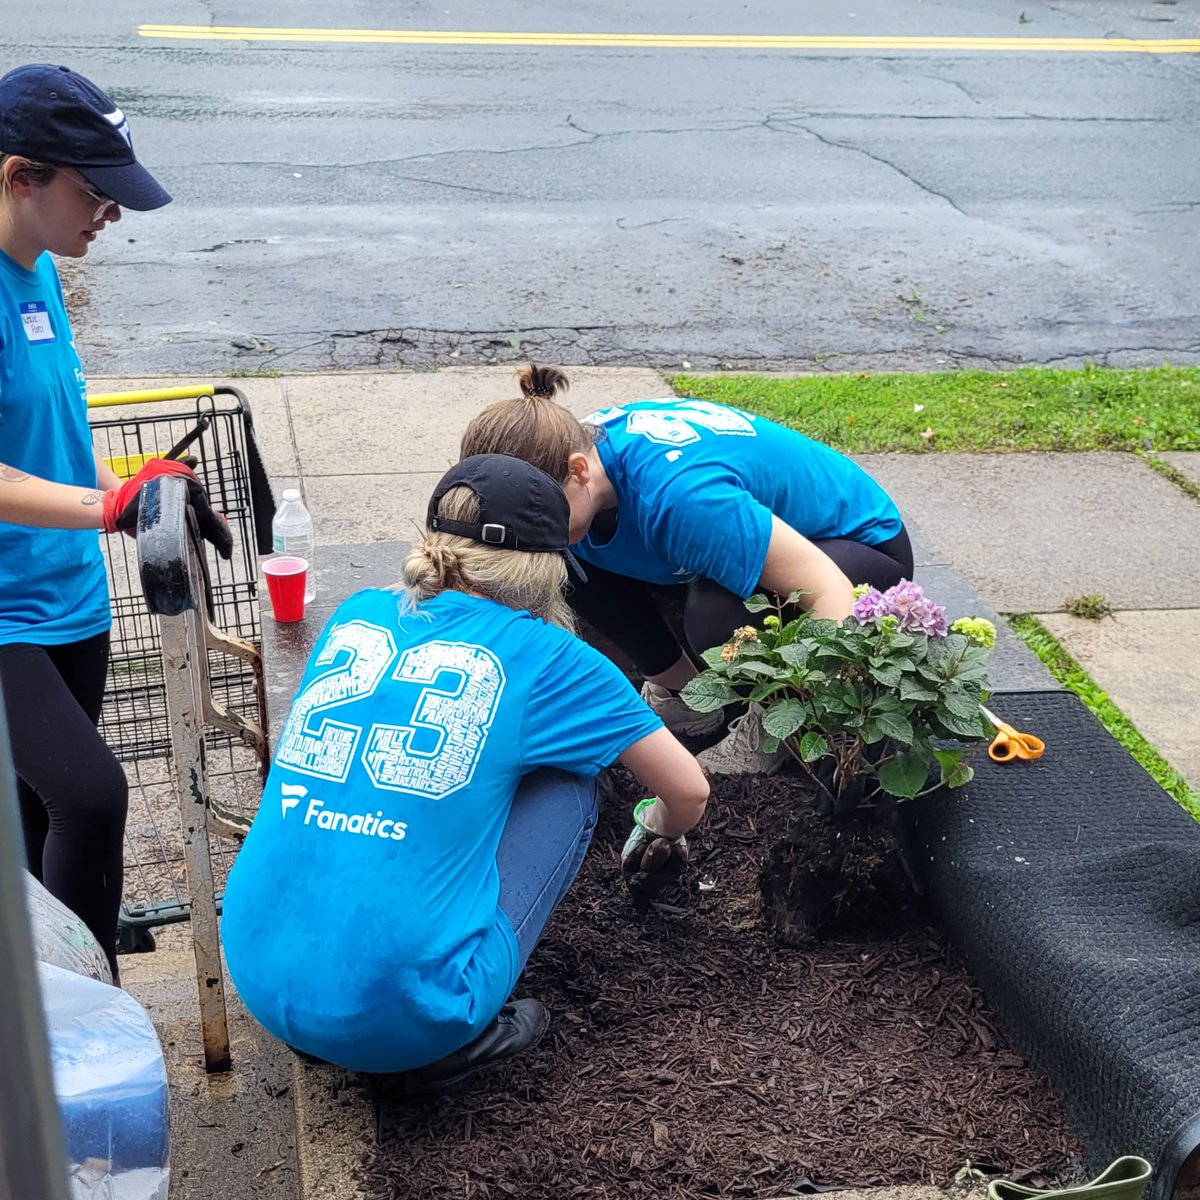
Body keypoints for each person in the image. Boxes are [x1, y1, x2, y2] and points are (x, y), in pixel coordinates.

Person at [221, 454, 709, 1088]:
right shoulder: (552, 655)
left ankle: (349, 1006)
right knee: (570, 782)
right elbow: (689, 789)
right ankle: (450, 1038)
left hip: (259, 974)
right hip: (401, 1019)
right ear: (548, 565)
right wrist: (655, 824)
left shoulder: (355, 612)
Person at [0, 63, 231, 979]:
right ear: (20, 176)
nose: (113, 215)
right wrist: (108, 506)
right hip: (5, 614)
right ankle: (90, 1014)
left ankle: (33, 999)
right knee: (91, 798)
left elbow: (54, 427)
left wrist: (136, 486)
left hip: (70, 597)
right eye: (95, 193)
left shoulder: (41, 269)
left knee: (31, 815)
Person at [460, 364, 914, 777]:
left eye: (539, 512)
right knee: (559, 557)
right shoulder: (569, 452)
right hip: (733, 536)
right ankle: (684, 698)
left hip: (858, 553)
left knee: (716, 617)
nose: (533, 529)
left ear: (577, 471)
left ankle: (768, 729)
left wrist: (815, 712)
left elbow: (827, 591)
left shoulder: (683, 501)